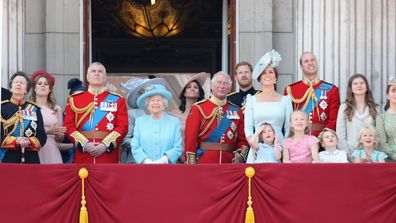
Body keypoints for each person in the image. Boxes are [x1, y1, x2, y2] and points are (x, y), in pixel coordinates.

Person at [64, 62, 128, 163]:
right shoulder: (74, 100)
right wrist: (85, 144)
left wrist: (105, 144)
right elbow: (68, 127)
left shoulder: (118, 100)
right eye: (93, 71)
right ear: (87, 76)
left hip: (108, 156)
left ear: (105, 76)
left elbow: (122, 127)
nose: (97, 74)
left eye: (100, 71)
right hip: (83, 155)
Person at [184, 71, 249, 164]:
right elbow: (190, 139)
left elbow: (243, 139)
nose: (222, 86)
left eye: (225, 83)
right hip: (204, 162)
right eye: (219, 82)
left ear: (229, 88)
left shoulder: (237, 111)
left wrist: (241, 156)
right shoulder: (198, 108)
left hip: (229, 163)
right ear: (211, 86)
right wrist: (191, 162)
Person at [244, 49, 292, 162]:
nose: (267, 75)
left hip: (278, 148)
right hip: (258, 148)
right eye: (264, 73)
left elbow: (288, 128)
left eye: (271, 72)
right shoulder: (251, 99)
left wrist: (283, 148)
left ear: (276, 78)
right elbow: (248, 127)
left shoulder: (285, 100)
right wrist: (253, 144)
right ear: (260, 79)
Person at [284, 52, 340, 136]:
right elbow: (287, 119)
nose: (310, 63)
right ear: (301, 66)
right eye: (306, 61)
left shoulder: (331, 90)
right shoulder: (291, 90)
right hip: (298, 138)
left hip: (322, 139)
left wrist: (324, 138)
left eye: (313, 60)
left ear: (317, 63)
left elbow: (334, 120)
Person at [1, 71, 47, 163]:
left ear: (26, 89)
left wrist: (30, 141)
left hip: (31, 159)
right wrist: (16, 141)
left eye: (22, 82)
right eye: (16, 82)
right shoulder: (2, 108)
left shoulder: (35, 109)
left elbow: (42, 137)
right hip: (8, 159)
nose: (19, 84)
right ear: (10, 88)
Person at [119, 77, 166, 163]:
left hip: (160, 161)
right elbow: (125, 141)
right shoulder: (132, 114)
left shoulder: (165, 116)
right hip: (136, 161)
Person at [131, 84, 182, 164]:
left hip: (167, 168)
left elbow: (178, 147)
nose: (155, 103)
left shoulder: (174, 122)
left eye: (158, 100)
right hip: (144, 168)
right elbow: (135, 146)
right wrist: (146, 161)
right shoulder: (139, 122)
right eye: (152, 100)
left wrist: (164, 160)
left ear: (164, 104)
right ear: (147, 105)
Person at [336, 74, 378, 159]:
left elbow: (378, 133)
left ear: (366, 87)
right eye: (355, 83)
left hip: (371, 155)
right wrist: (348, 155)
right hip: (350, 153)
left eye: (362, 83)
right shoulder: (344, 108)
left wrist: (373, 154)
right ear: (351, 88)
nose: (359, 85)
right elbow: (340, 135)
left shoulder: (375, 108)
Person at [30, 70, 66, 164]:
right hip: (34, 150)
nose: (43, 85)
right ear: (34, 88)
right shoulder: (28, 108)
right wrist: (47, 131)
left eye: (46, 84)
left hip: (51, 150)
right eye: (39, 83)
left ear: (50, 89)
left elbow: (59, 139)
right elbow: (25, 134)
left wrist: (59, 133)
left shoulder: (56, 109)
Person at [58, 78, 87, 163]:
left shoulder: (90, 117)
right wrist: (75, 145)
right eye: (76, 96)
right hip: (66, 159)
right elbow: (55, 144)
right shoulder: (62, 117)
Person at [376, 77, 396, 162]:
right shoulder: (381, 117)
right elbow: (382, 143)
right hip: (390, 160)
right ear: (387, 95)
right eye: (393, 90)